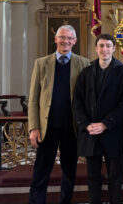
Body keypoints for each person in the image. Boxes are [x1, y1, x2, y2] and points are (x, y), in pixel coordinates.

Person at [28, 25, 90, 204]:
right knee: (41, 171)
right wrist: (34, 127)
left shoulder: (83, 63)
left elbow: (87, 99)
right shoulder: (41, 63)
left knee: (69, 171)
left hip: (72, 128)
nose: (66, 41)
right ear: (55, 39)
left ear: (75, 41)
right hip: (47, 128)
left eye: (70, 38)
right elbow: (33, 99)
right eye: (62, 37)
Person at [73, 34, 123, 204]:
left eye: (108, 46)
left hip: (112, 131)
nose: (104, 49)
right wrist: (86, 125)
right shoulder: (86, 71)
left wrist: (106, 124)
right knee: (93, 175)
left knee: (114, 174)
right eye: (101, 46)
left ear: (114, 48)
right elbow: (77, 101)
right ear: (96, 48)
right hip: (91, 131)